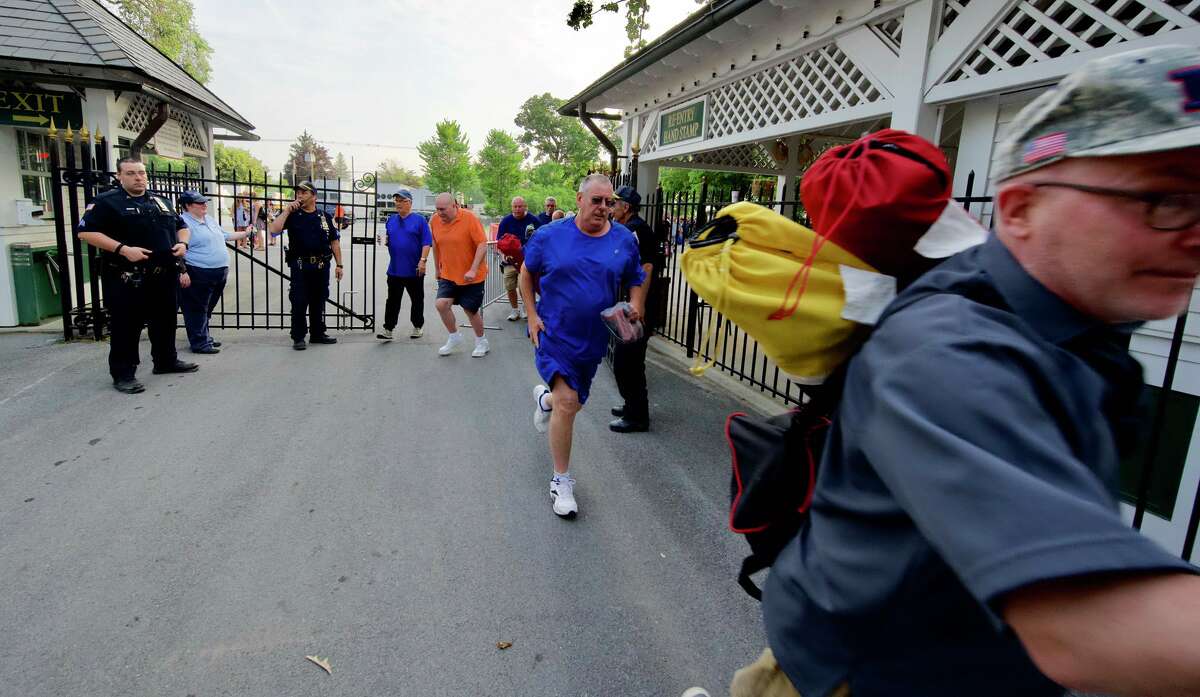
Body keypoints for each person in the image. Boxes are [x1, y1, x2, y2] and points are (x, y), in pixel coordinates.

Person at [711, 45, 1200, 697]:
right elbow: (1082, 621)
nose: (1193, 232)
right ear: (1020, 209)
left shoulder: (1081, 328)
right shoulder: (946, 348)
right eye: (1162, 198)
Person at [520, 174, 646, 518]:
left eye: (610, 203)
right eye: (597, 201)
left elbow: (636, 279)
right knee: (568, 402)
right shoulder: (549, 236)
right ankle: (561, 480)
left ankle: (545, 400)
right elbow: (525, 274)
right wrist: (531, 316)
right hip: (554, 333)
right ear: (579, 199)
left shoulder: (623, 239)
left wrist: (637, 305)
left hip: (593, 340)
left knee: (569, 403)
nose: (604, 208)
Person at [77, 158, 199, 393]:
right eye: (131, 173)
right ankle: (123, 374)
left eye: (141, 173)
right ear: (119, 176)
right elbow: (86, 232)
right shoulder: (106, 202)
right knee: (126, 326)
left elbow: (181, 226)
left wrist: (183, 243)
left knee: (165, 322)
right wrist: (123, 249)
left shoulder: (160, 201)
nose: (138, 177)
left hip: (162, 274)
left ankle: (165, 361)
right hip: (127, 277)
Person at [609, 185, 666, 433]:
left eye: (614, 204)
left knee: (626, 361)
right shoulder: (630, 228)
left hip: (637, 308)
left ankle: (637, 416)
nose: (610, 208)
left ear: (626, 207)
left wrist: (637, 304)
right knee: (631, 360)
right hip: (633, 304)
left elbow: (646, 267)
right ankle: (633, 406)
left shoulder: (636, 230)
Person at [268, 180, 344, 350]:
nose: (300, 196)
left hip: (321, 266)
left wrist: (340, 265)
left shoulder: (324, 216)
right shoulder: (292, 215)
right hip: (301, 266)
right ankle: (298, 336)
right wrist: (287, 210)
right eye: (298, 193)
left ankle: (317, 333)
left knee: (319, 300)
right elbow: (274, 230)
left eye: (304, 193)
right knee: (299, 301)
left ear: (314, 196)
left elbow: (334, 242)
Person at [178, 191, 250, 354]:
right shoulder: (182, 223)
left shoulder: (208, 219)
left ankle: (204, 337)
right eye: (199, 203)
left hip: (218, 272)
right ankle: (199, 343)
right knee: (196, 308)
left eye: (205, 202)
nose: (204, 205)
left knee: (207, 308)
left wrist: (246, 233)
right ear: (188, 206)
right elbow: (178, 249)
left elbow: (225, 236)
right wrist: (182, 271)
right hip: (198, 271)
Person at [430, 193, 489, 357]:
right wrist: (437, 268)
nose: (439, 213)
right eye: (437, 209)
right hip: (448, 273)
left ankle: (481, 342)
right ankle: (454, 336)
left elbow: (482, 244)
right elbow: (435, 244)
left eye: (443, 209)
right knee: (441, 304)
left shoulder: (469, 218)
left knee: (470, 310)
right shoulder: (434, 220)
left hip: (472, 275)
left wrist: (473, 268)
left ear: (455, 206)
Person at [377, 190, 432, 341]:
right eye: (396, 201)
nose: (398, 204)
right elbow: (386, 239)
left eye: (402, 201)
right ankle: (388, 329)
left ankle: (418, 326)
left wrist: (423, 260)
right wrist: (384, 241)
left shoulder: (420, 221)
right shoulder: (391, 220)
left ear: (410, 203)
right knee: (392, 301)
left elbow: (427, 242)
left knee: (417, 299)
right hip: (394, 269)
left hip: (414, 269)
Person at [496, 196, 541, 321]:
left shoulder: (533, 220)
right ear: (512, 207)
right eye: (515, 206)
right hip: (509, 261)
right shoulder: (506, 221)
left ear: (525, 207)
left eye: (520, 206)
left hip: (526, 261)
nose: (517, 209)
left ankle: (527, 309)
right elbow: (498, 241)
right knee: (509, 286)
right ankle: (514, 310)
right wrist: (502, 256)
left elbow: (541, 239)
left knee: (524, 286)